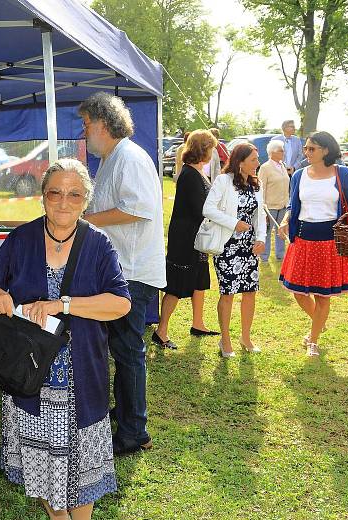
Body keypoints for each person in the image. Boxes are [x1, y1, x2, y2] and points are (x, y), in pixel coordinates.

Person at [0, 159, 131, 520]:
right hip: (27, 371)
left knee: (81, 454)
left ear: (85, 201)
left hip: (81, 371)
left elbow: (121, 303)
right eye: (55, 192)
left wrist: (66, 304)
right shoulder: (22, 239)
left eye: (74, 194)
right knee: (36, 453)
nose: (63, 202)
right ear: (42, 196)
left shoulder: (97, 244)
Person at [79, 92, 166, 456]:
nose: (84, 133)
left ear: (102, 124)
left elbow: (138, 209)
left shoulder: (128, 157)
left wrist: (83, 222)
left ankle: (134, 431)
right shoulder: (114, 158)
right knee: (122, 348)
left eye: (86, 125)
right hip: (122, 270)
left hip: (132, 271)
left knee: (128, 351)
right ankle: (128, 413)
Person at [278, 131, 348, 357]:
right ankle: (319, 321)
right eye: (305, 148)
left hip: (330, 242)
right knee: (297, 291)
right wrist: (286, 222)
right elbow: (292, 205)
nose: (306, 152)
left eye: (311, 148)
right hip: (302, 240)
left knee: (323, 295)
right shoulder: (299, 175)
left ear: (326, 150)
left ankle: (313, 340)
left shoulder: (342, 174)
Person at [153, 130, 219, 349]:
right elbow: (200, 209)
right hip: (185, 238)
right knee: (176, 286)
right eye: (211, 147)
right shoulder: (190, 174)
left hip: (195, 238)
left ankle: (198, 323)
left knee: (199, 281)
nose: (213, 151)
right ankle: (161, 331)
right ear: (202, 148)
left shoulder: (198, 171)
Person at [203, 143, 266, 357]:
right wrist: (233, 222)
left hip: (249, 245)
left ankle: (246, 337)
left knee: (250, 291)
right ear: (240, 162)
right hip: (227, 244)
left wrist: (261, 238)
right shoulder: (223, 181)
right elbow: (207, 209)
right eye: (254, 160)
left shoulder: (256, 184)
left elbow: (260, 216)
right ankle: (225, 339)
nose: (257, 163)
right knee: (228, 293)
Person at [258, 139, 290, 261]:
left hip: (283, 205)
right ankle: (264, 257)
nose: (283, 153)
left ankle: (280, 256)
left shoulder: (283, 165)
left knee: (281, 231)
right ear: (273, 152)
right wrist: (262, 206)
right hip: (269, 206)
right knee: (266, 232)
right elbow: (261, 188)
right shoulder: (265, 167)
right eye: (281, 151)